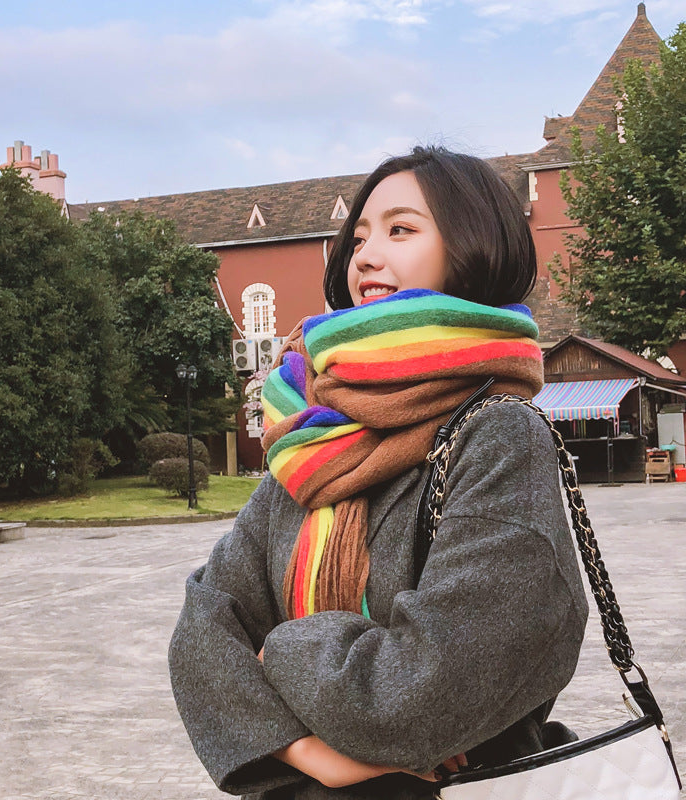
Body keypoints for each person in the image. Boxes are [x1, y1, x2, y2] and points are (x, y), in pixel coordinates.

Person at [169, 146, 588, 799]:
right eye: (359, 235)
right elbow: (202, 632)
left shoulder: (498, 433)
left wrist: (275, 649)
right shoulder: (311, 437)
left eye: (400, 229)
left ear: (472, 246)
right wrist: (314, 755)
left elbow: (421, 696)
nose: (364, 255)